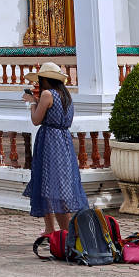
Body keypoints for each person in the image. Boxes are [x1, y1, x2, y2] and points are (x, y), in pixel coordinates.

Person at [22, 62, 86, 236]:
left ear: (45, 79)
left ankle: (65, 232)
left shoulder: (47, 94)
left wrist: (31, 103)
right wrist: (37, 101)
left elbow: (36, 120)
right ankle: (52, 229)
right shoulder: (65, 94)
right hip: (64, 140)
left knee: (50, 184)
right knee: (58, 184)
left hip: (49, 140)